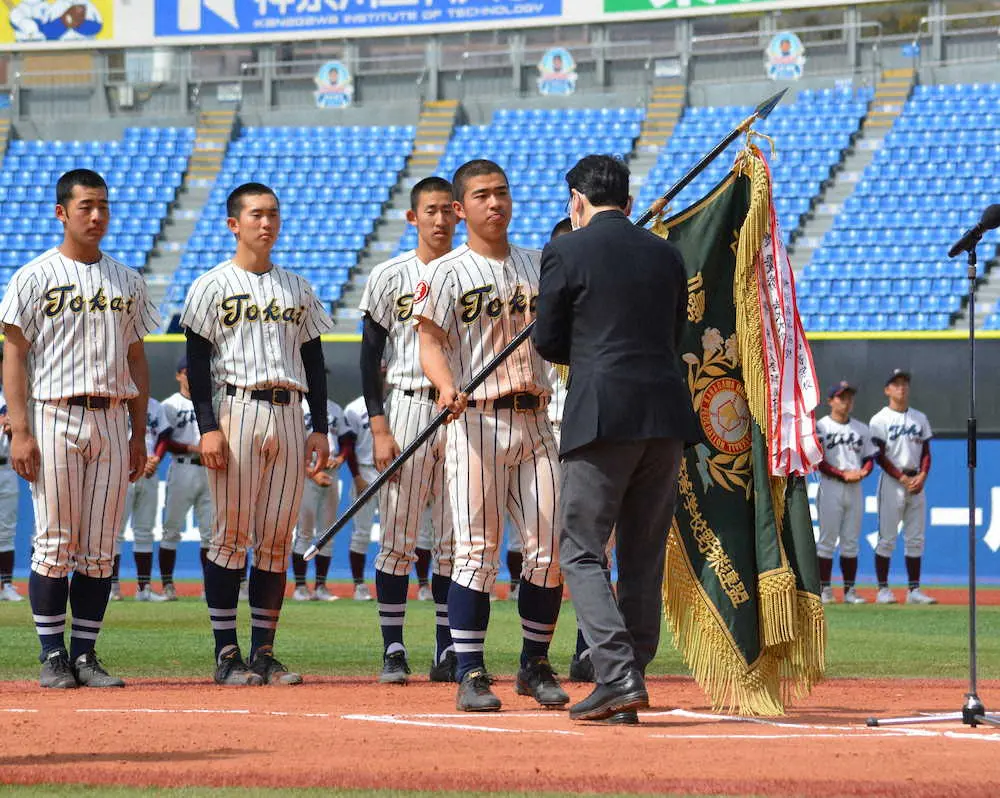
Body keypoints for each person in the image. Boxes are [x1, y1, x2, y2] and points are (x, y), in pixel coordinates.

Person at [533, 154, 698, 724]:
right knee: (642, 553)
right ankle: (633, 675)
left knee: (581, 549)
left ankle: (617, 673)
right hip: (665, 415)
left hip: (601, 415)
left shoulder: (566, 250)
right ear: (627, 201)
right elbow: (675, 332)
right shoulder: (665, 253)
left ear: (576, 199)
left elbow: (549, 341)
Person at [413, 159, 567, 712]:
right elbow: (428, 343)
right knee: (475, 551)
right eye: (481, 195)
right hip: (475, 419)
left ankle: (534, 664)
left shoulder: (539, 264)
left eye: (502, 193)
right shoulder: (447, 272)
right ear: (461, 208)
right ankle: (470, 670)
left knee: (549, 550)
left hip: (536, 416)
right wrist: (446, 384)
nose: (494, 203)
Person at [0, 168, 159, 688]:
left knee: (100, 546)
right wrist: (19, 429)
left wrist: (138, 434)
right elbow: (14, 355)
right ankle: (52, 655)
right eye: (86, 206)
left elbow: (137, 360)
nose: (97, 216)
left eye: (104, 206)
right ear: (61, 212)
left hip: (113, 417)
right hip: (54, 414)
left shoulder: (127, 280)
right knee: (55, 541)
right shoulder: (33, 276)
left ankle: (85, 656)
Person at [179, 182, 333, 686]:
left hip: (290, 414)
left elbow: (314, 360)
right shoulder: (210, 285)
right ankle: (227, 653)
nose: (266, 224)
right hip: (237, 409)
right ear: (233, 224)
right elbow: (197, 363)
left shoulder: (297, 287)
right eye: (256, 215)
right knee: (229, 537)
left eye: (273, 215)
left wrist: (321, 426)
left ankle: (264, 652)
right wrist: (207, 427)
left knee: (274, 541)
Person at [358, 176, 458, 684]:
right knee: (397, 537)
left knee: (453, 540)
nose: (440, 220)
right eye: (430, 211)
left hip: (460, 413)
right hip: (405, 406)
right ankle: (393, 648)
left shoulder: (471, 272)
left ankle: (447, 650)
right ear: (412, 218)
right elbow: (368, 356)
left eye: (447, 210)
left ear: (458, 215)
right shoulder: (388, 275)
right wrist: (378, 425)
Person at [869, 369, 936, 605]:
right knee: (887, 537)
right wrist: (901, 477)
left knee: (915, 538)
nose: (902, 388)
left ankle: (914, 590)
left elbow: (926, 452)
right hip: (892, 482)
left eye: (905, 383)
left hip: (917, 481)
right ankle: (883, 589)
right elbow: (878, 455)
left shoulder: (920, 418)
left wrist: (923, 475)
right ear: (887, 390)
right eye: (896, 384)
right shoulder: (880, 419)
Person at [815, 380, 875, 605]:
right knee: (827, 540)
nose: (846, 401)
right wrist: (842, 474)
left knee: (851, 541)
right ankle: (824, 589)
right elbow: (818, 460)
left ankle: (850, 591)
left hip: (854, 487)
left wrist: (863, 472)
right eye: (841, 397)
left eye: (849, 397)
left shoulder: (861, 428)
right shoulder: (821, 427)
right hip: (830, 485)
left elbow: (870, 458)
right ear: (830, 401)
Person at [160, 355, 215, 598]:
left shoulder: (212, 403)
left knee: (211, 533)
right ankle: (167, 585)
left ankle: (209, 587)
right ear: (178, 375)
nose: (190, 376)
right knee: (171, 529)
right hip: (182, 467)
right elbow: (165, 440)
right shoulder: (170, 405)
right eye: (186, 371)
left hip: (209, 469)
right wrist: (192, 448)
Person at [111, 397, 171, 602]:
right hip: (122, 471)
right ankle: (112, 586)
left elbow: (164, 435)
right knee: (115, 532)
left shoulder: (155, 405)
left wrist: (155, 459)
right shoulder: (116, 401)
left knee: (144, 531)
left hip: (149, 473)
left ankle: (144, 587)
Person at [290, 392, 347, 602]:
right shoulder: (297, 406)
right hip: (305, 472)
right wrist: (311, 471)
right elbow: (292, 444)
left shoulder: (334, 408)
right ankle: (300, 587)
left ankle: (321, 586)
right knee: (304, 531)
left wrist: (340, 458)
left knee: (327, 532)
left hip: (331, 472)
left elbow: (346, 439)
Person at [342, 394, 376, 602]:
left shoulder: (396, 401)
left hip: (392, 471)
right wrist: (355, 476)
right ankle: (359, 585)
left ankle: (416, 585)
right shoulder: (354, 407)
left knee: (396, 534)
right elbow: (348, 445)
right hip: (364, 471)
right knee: (361, 533)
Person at [0, 376, 23, 602]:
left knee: (6, 530)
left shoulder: (11, 398)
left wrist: (11, 429)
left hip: (5, 467)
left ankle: (6, 584)